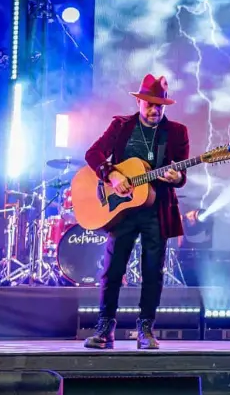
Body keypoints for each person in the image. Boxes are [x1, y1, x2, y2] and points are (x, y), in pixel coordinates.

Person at [82, 74, 189, 350]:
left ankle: (145, 329)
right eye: (149, 105)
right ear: (140, 102)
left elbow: (181, 173)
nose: (154, 111)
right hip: (123, 210)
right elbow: (93, 154)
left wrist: (176, 178)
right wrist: (112, 175)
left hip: (157, 209)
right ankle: (105, 327)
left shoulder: (176, 132)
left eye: (160, 106)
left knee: (152, 271)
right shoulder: (121, 126)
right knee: (113, 268)